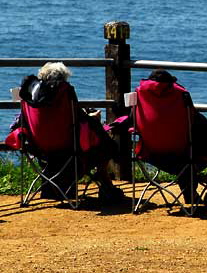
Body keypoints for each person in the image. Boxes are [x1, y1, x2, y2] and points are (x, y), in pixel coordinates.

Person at [15, 62, 125, 204]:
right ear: (63, 79)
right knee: (105, 145)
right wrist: (92, 118)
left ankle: (103, 182)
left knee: (100, 142)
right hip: (68, 148)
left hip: (39, 149)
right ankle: (105, 181)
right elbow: (76, 118)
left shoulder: (29, 95)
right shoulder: (63, 93)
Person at [134, 69, 207, 209]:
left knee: (186, 148)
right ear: (171, 84)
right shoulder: (180, 97)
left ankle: (190, 193)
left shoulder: (141, 99)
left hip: (153, 155)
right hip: (184, 156)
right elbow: (205, 126)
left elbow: (130, 122)